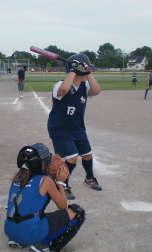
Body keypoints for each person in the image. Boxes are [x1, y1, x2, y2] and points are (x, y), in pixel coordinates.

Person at [4, 143, 86, 252]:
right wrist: (60, 183)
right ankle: (44, 245)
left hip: (10, 230)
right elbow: (63, 206)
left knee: (30, 207)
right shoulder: (45, 180)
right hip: (28, 233)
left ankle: (16, 239)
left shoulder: (17, 178)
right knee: (78, 212)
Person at [47, 54, 102, 200]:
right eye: (84, 69)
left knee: (87, 154)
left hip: (77, 128)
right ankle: (63, 184)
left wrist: (87, 72)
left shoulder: (85, 86)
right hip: (60, 128)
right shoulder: (60, 85)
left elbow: (96, 90)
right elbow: (64, 90)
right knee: (72, 158)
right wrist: (73, 69)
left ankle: (89, 178)